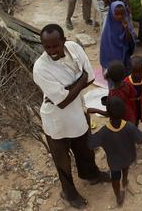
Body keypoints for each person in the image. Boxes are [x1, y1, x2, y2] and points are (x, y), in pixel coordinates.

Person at [33, 24, 106, 209]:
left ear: (63, 41)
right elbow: (63, 102)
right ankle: (68, 192)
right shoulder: (41, 68)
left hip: (78, 112)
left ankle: (91, 174)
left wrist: (69, 88)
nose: (52, 51)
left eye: (55, 46)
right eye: (47, 47)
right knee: (62, 159)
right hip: (56, 120)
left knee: (85, 148)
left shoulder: (74, 48)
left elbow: (90, 78)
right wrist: (79, 80)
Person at [88, 96, 142, 207]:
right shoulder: (129, 127)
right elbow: (140, 140)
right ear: (124, 111)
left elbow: (91, 144)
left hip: (115, 163)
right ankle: (125, 181)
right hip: (129, 157)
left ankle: (118, 197)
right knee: (125, 167)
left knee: (115, 180)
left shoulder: (103, 132)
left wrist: (88, 125)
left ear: (107, 113)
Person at [88, 60, 138, 125]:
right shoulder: (128, 84)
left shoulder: (112, 95)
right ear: (123, 75)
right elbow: (134, 96)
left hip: (121, 123)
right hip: (131, 117)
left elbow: (108, 114)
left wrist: (95, 110)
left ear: (110, 78)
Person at [99, 1, 136, 76]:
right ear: (112, 13)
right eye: (117, 14)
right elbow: (105, 50)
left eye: (122, 14)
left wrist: (126, 29)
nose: (120, 16)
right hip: (112, 63)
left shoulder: (126, 24)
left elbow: (130, 41)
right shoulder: (107, 30)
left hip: (124, 58)